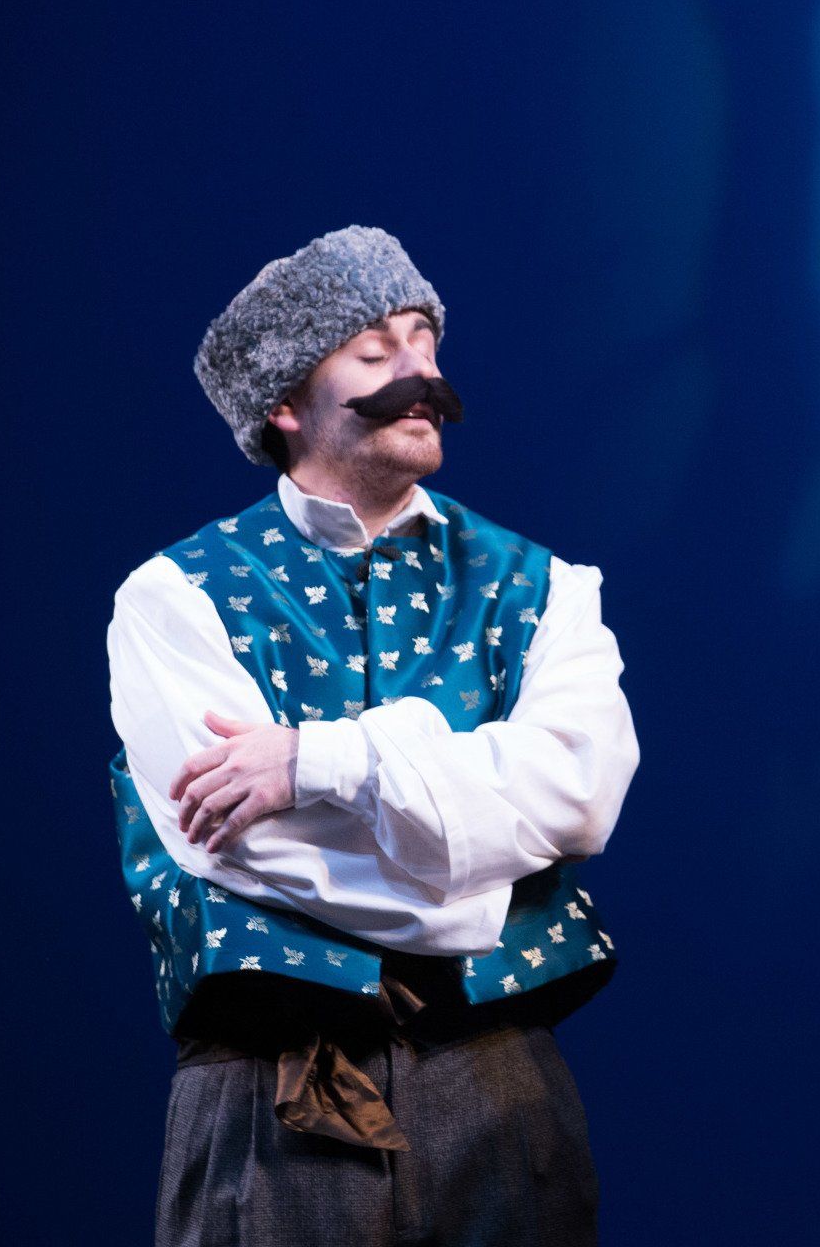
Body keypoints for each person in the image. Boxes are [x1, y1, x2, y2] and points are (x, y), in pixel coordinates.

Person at [107, 226, 639, 1246]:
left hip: (501, 1085)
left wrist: (317, 761)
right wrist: (478, 855)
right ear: (286, 402)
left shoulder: (547, 589)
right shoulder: (176, 599)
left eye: (426, 343)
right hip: (271, 1090)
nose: (422, 374)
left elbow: (578, 794)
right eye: (376, 350)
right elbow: (238, 845)